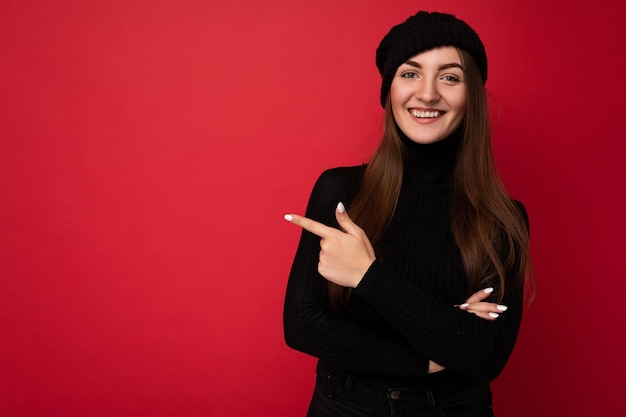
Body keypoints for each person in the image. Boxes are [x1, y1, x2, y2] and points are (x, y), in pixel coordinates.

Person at [283, 10, 533, 417]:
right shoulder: (342, 190)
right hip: (345, 406)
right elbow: (302, 324)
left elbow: (486, 356)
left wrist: (368, 275)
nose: (428, 94)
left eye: (449, 77)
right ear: (389, 89)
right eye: (410, 73)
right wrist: (433, 352)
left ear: (471, 94)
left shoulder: (504, 218)